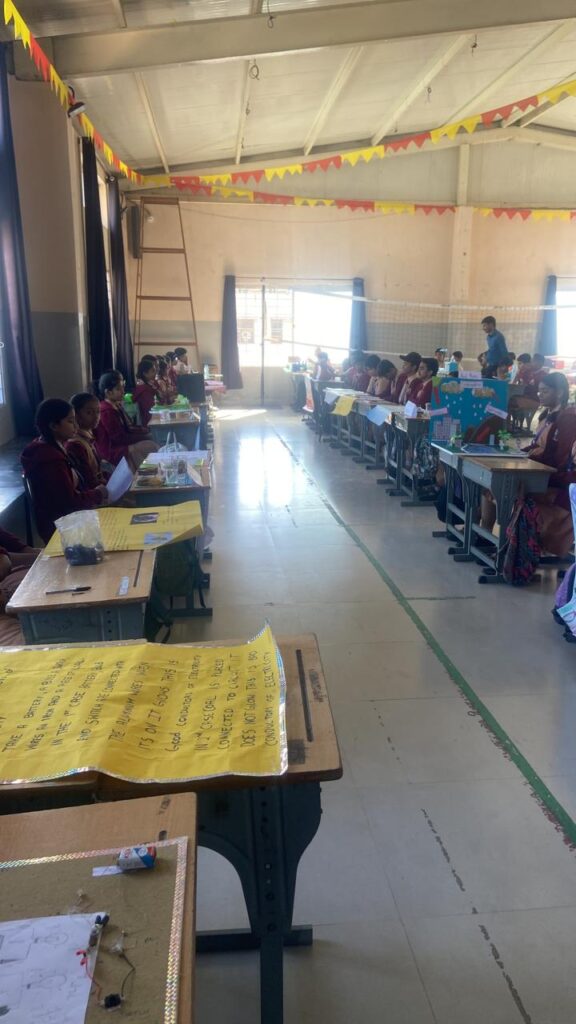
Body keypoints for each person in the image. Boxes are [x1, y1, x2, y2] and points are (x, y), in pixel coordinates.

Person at [482, 373, 576, 556]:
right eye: (539, 391)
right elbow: (538, 445)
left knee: (508, 491)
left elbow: (557, 460)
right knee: (491, 487)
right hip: (541, 472)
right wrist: (522, 453)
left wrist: (534, 460)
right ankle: (483, 536)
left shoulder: (568, 419)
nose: (540, 395)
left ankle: (508, 549)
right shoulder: (547, 416)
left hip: (556, 484)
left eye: (545, 391)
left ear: (559, 392)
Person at [21, 399, 108, 543]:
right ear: (54, 426)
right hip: (63, 524)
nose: (76, 425)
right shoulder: (49, 459)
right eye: (70, 421)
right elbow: (70, 502)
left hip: (67, 516)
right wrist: (98, 494)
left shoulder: (52, 447)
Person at [95, 371, 157, 469]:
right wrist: (144, 437)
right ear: (108, 392)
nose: (123, 391)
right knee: (150, 446)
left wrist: (144, 432)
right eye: (118, 389)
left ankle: (148, 471)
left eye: (123, 387)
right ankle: (142, 473)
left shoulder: (116, 405)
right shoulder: (106, 411)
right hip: (112, 451)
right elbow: (119, 438)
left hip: (121, 444)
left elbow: (127, 429)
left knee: (151, 443)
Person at [67, 392, 110, 490]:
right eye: (89, 412)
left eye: (98, 412)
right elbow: (86, 481)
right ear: (75, 415)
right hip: (92, 494)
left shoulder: (88, 436)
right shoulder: (75, 444)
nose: (96, 416)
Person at [133, 357, 160, 427]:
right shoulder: (143, 390)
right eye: (153, 371)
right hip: (150, 422)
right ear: (145, 373)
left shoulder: (149, 384)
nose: (156, 373)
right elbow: (150, 409)